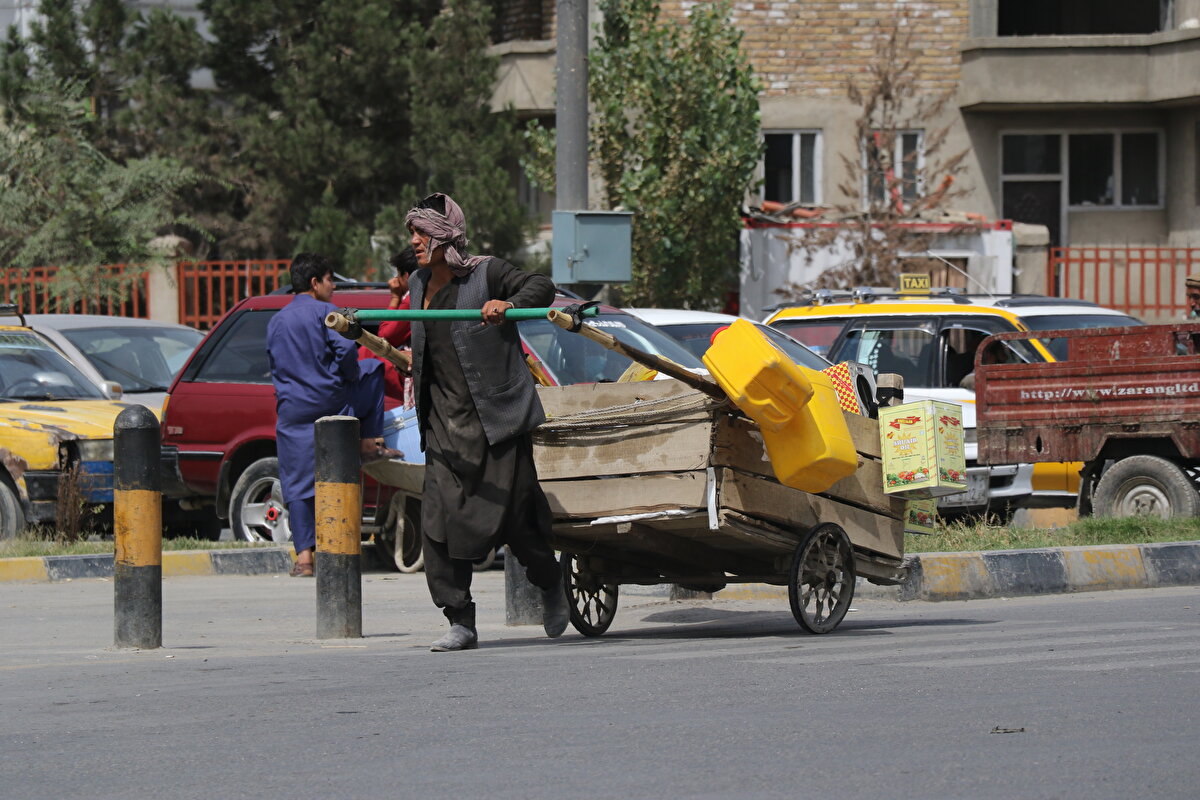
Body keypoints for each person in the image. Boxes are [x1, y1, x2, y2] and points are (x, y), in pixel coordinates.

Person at [405, 192, 569, 651]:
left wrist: (507, 304)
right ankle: (459, 617)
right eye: (413, 233)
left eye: (422, 232)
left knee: (516, 521)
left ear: (444, 235)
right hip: (442, 425)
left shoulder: (487, 271)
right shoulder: (418, 284)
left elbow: (541, 286)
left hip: (496, 422)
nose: (415, 240)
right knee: (435, 524)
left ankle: (550, 581)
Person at [267, 252, 400, 578]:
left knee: (296, 485)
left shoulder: (277, 320)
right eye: (330, 280)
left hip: (292, 412)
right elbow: (345, 351)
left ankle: (304, 559)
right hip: (331, 403)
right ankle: (369, 444)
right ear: (315, 282)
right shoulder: (328, 313)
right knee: (373, 370)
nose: (333, 287)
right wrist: (350, 374)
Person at [358, 246, 417, 408]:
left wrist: (394, 297)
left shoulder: (413, 298)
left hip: (417, 374)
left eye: (398, 274)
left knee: (367, 353)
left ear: (406, 276)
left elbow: (386, 334)